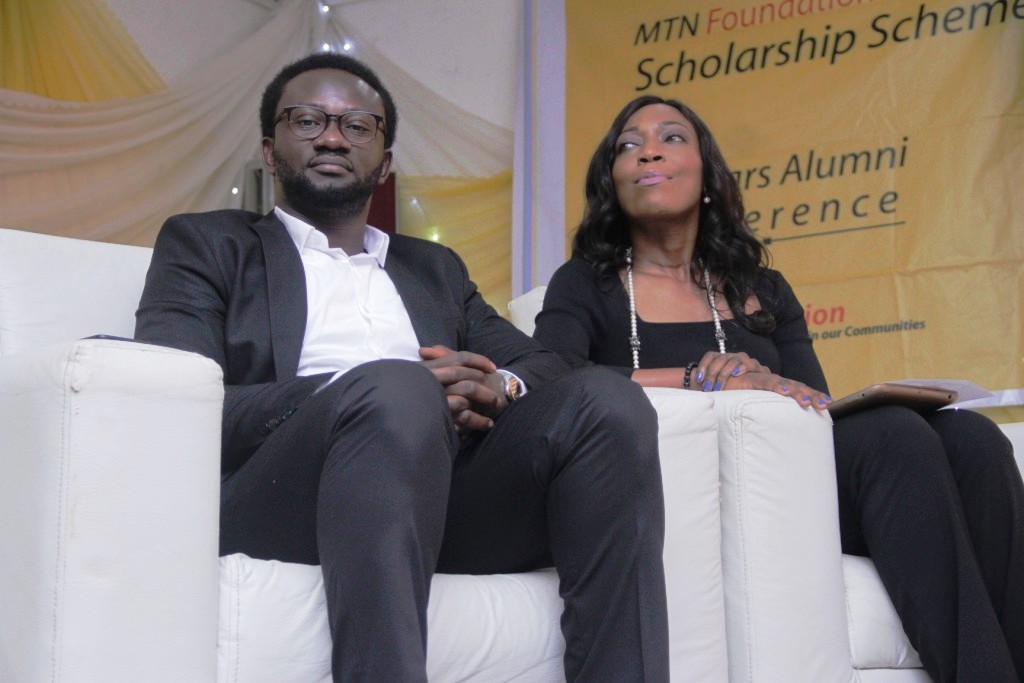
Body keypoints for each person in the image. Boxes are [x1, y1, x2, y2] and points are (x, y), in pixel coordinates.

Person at [135, 55, 670, 682]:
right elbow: (178, 403)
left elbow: (542, 360)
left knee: (608, 403)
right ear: (269, 151)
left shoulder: (434, 269)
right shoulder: (207, 244)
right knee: (398, 385)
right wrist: (357, 391)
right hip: (285, 492)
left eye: (358, 126)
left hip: (444, 496)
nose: (333, 138)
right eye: (307, 120)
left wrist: (498, 386)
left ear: (384, 162)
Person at [534, 94, 1024, 683]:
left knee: (972, 439)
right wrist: (696, 379)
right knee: (894, 435)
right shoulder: (586, 284)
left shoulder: (761, 287)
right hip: (677, 488)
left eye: (671, 137)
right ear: (613, 183)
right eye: (628, 145)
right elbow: (552, 377)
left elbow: (814, 401)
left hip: (788, 482)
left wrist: (767, 384)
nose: (649, 152)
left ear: (707, 177)